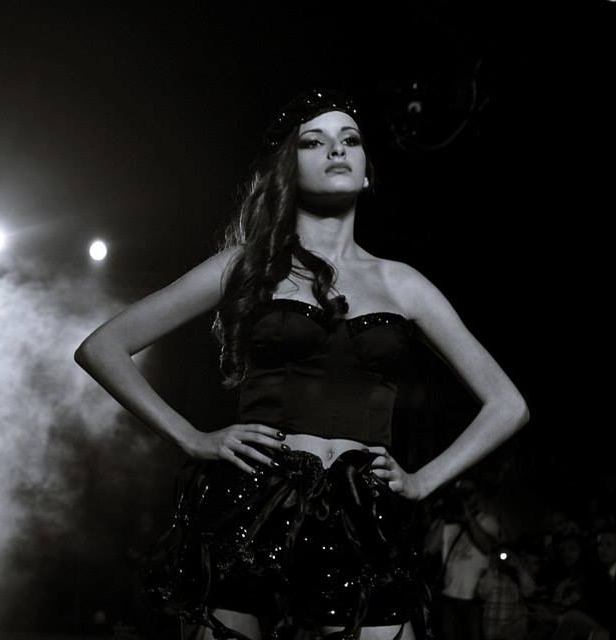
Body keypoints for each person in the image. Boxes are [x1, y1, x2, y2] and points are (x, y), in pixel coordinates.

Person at [74, 88, 530, 640]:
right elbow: (103, 347)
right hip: (254, 502)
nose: (336, 150)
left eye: (350, 140)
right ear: (288, 169)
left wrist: (422, 480)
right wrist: (192, 438)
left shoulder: (403, 283)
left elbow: (508, 405)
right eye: (314, 142)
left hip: (362, 512)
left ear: (366, 172)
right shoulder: (246, 265)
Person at [423, 478, 505, 640]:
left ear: (477, 495)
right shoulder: (447, 523)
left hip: (475, 600)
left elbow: (487, 547)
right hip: (449, 596)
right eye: (460, 494)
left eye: (468, 493)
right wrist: (444, 515)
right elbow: (429, 548)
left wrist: (468, 518)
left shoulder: (487, 520)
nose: (464, 497)